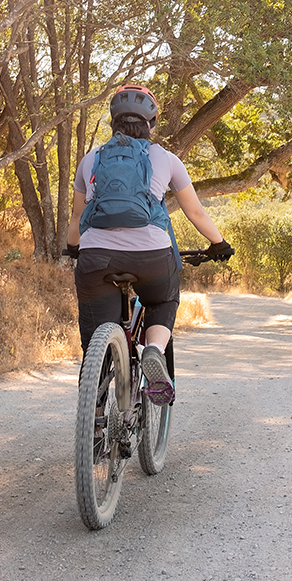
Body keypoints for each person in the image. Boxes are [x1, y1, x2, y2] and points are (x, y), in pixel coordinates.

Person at [65, 84, 232, 403]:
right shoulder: (166, 158)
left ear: (113, 122)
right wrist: (218, 243)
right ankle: (154, 349)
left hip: (96, 258)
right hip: (151, 257)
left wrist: (74, 248)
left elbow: (77, 218)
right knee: (162, 301)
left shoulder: (91, 160)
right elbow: (194, 211)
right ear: (151, 124)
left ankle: (95, 415)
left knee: (93, 343)